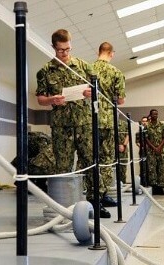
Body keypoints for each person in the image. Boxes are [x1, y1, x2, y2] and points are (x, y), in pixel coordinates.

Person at [35, 29, 111, 218]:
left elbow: (97, 90)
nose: (65, 53)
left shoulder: (84, 66)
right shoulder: (45, 71)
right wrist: (52, 99)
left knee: (91, 162)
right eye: (61, 50)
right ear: (54, 47)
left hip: (84, 124)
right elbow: (40, 99)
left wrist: (89, 92)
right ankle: (65, 207)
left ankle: (96, 202)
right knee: (63, 165)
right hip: (62, 126)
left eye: (68, 49)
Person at [92, 42, 125, 207]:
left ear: (98, 52)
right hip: (108, 121)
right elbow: (120, 100)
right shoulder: (116, 72)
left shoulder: (88, 69)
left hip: (90, 120)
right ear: (112, 53)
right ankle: (100, 196)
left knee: (90, 158)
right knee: (106, 159)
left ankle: (93, 195)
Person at [143, 109, 164, 195]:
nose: (155, 115)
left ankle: (161, 188)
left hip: (162, 151)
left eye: (156, 114)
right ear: (150, 115)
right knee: (152, 169)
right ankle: (153, 187)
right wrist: (154, 148)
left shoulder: (163, 125)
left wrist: (159, 147)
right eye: (153, 114)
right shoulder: (146, 127)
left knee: (161, 169)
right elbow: (146, 139)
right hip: (151, 151)